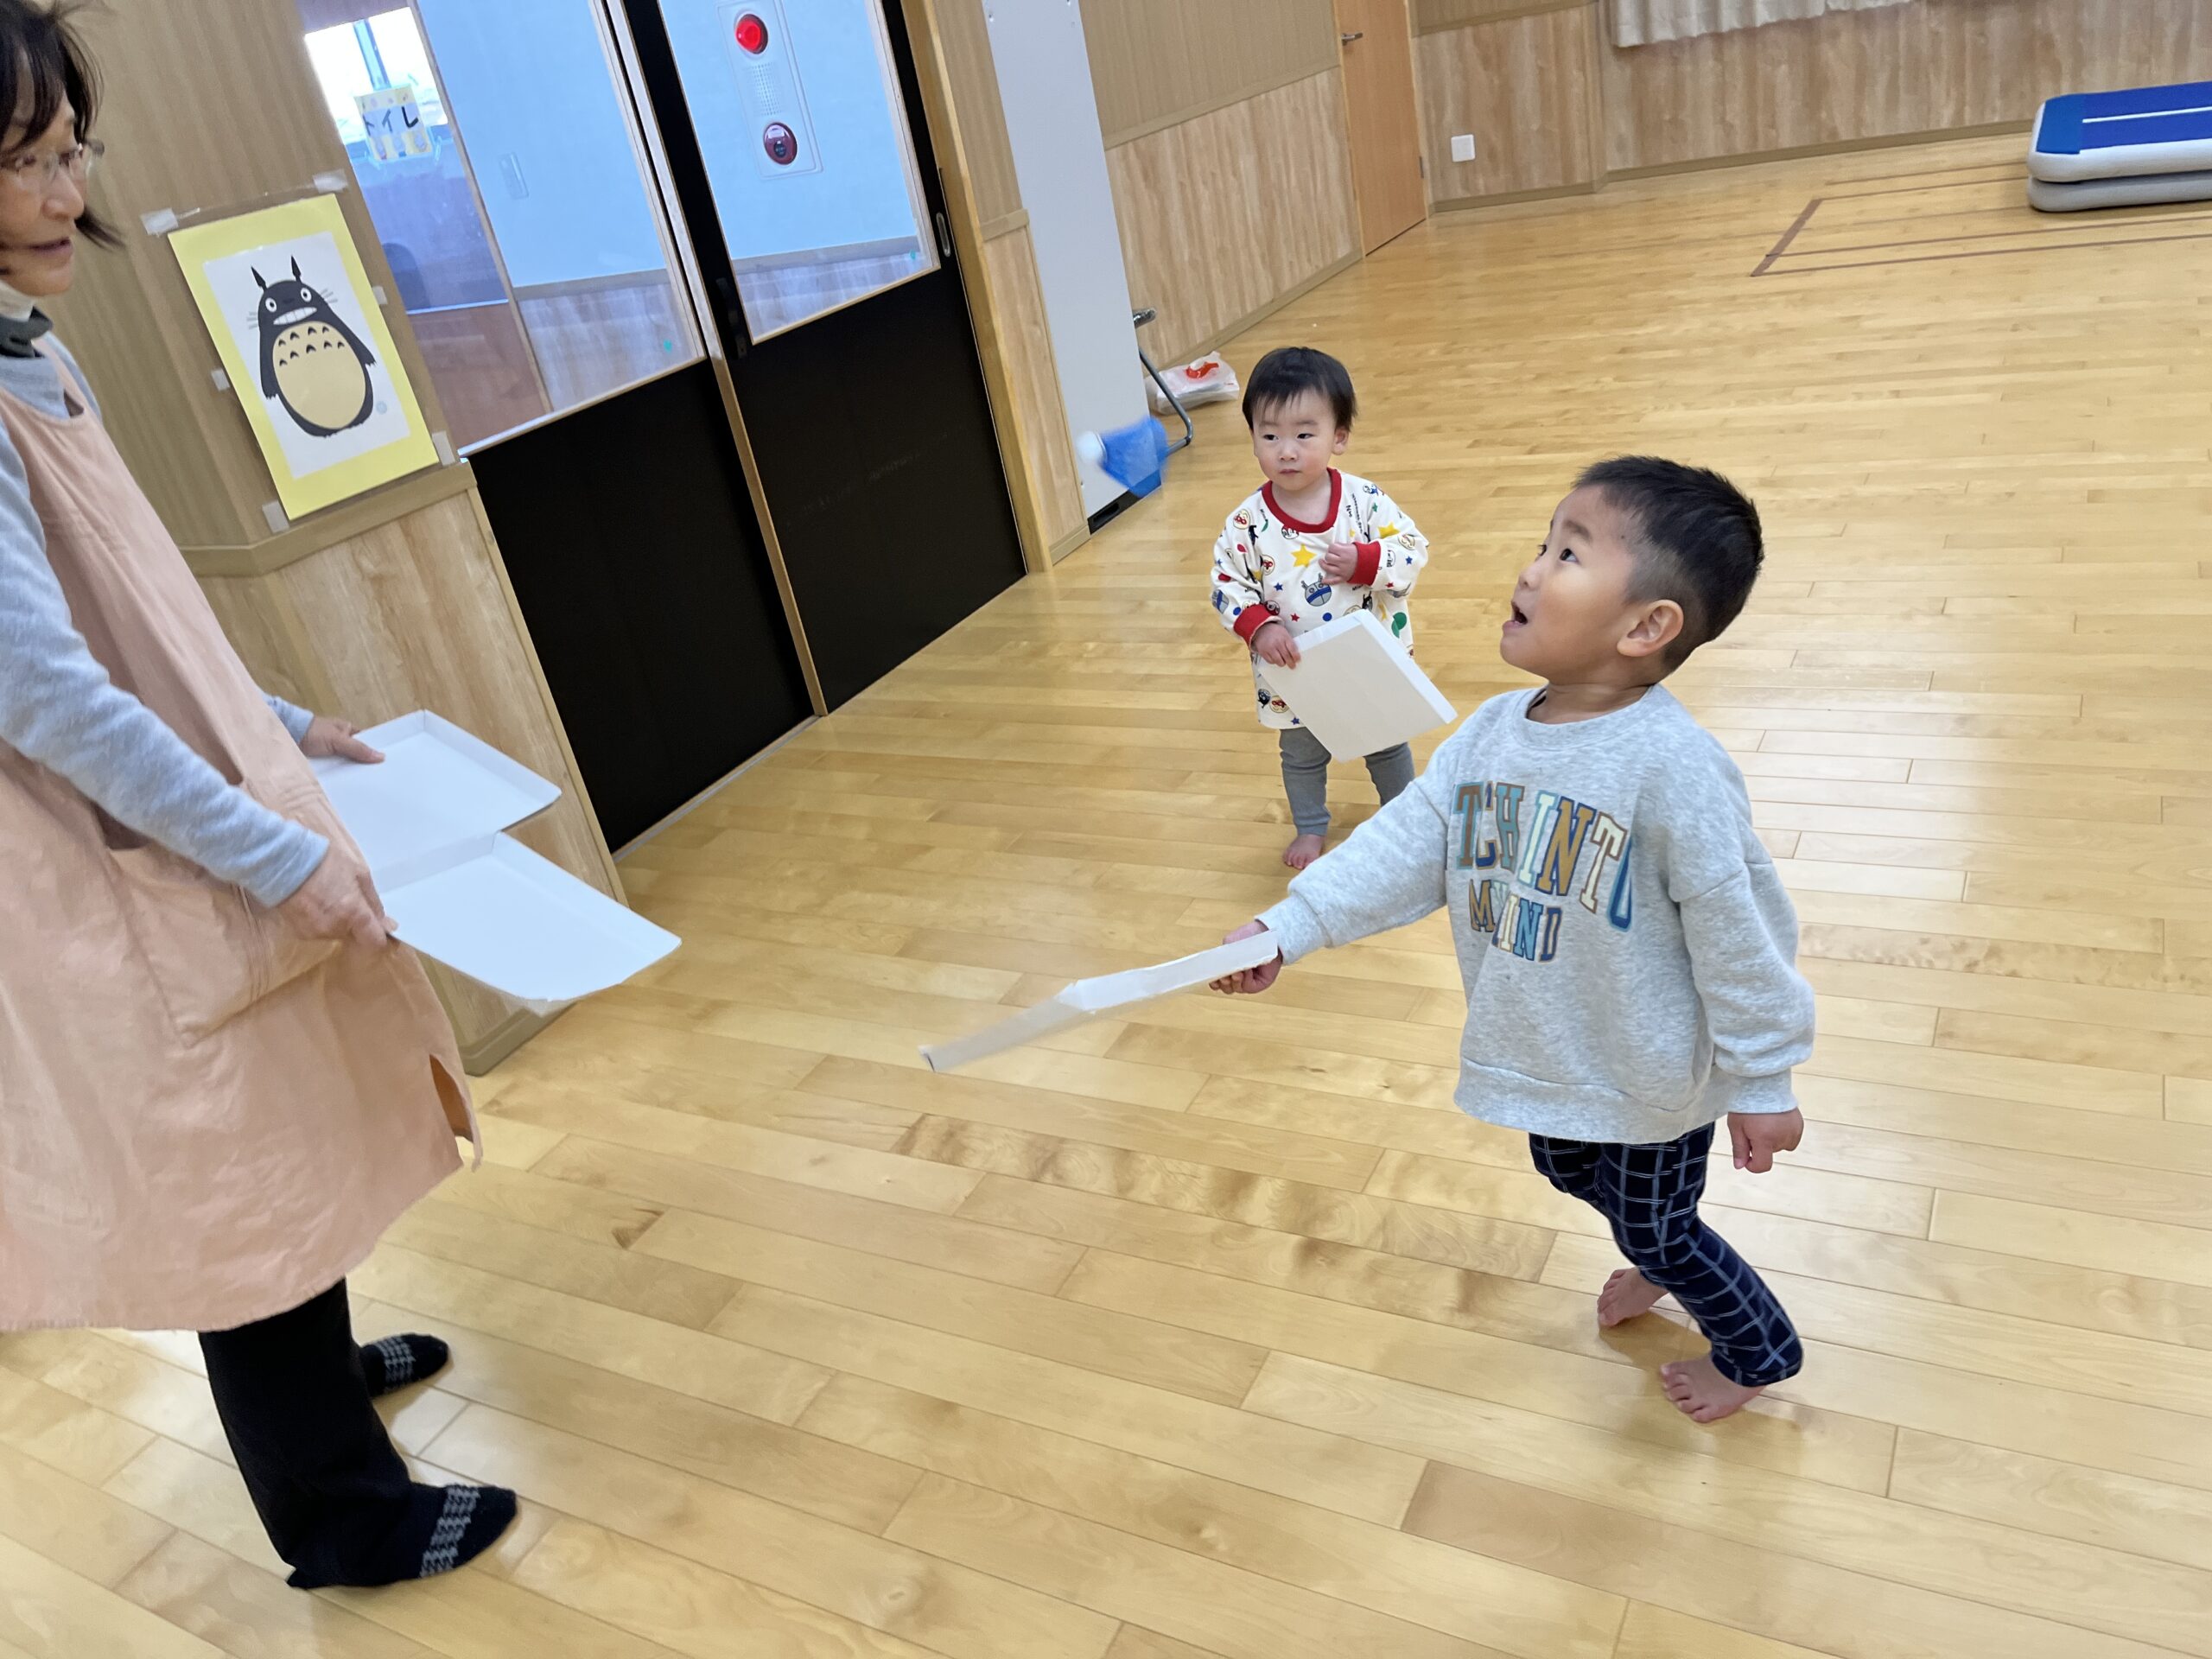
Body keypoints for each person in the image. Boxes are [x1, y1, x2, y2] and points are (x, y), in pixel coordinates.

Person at [0, 1, 515, 1585]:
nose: (66, 193)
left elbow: (130, 614)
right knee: (235, 1170)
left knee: (281, 1126)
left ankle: (317, 1385)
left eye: (71, 149)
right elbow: (36, 691)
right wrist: (278, 854)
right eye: (22, 160)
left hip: (169, 828)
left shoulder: (32, 346)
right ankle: (340, 1516)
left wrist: (283, 721)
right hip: (105, 866)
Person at [1213, 456, 1816, 1422]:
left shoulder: (1674, 771)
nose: (1531, 568)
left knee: (1658, 1228)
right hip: (1548, 1046)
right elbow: (1407, 845)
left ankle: (1755, 1349)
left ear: (1646, 627)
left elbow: (1740, 934)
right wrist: (1289, 926)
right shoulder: (1492, 733)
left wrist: (1765, 1077)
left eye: (1569, 554)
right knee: (1567, 1169)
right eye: (1543, 543)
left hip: (1651, 1072)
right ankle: (1657, 1251)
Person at [1208, 346, 1429, 871]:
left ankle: (1404, 815)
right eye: (1270, 436)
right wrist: (1258, 628)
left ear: (1339, 437)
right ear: (1253, 439)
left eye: (1305, 435)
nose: (1287, 451)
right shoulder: (1246, 525)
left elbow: (1413, 549)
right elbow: (1226, 584)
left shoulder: (1364, 501)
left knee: (1386, 742)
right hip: (1295, 669)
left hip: (1367, 659)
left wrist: (1366, 561)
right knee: (1302, 754)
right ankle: (1310, 825)